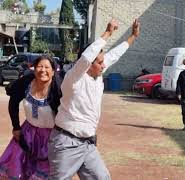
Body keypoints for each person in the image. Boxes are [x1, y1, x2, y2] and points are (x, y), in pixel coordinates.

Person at [48, 19, 140, 179]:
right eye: (99, 62)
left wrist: (133, 36)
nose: (104, 65)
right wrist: (107, 33)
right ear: (89, 64)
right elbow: (85, 58)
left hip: (88, 144)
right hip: (66, 143)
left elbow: (115, 55)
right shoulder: (74, 78)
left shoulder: (98, 73)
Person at [0, 55, 62, 179]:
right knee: (18, 168)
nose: (43, 70)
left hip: (51, 138)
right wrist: (16, 127)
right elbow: (13, 102)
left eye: (47, 67)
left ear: (53, 71)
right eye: (39, 66)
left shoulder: (58, 89)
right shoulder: (27, 82)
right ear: (34, 68)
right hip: (27, 134)